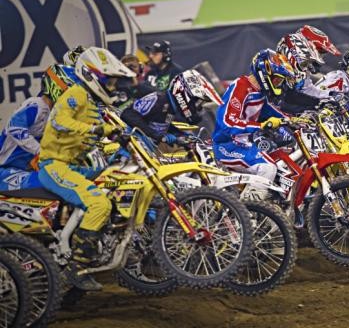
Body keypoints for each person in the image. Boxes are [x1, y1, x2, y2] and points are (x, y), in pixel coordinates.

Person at [37, 48, 135, 291]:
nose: (112, 86)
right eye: (108, 81)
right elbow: (59, 121)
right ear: (92, 75)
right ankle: (78, 266)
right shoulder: (76, 93)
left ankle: (102, 246)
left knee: (113, 185)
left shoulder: (91, 101)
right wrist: (93, 130)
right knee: (99, 204)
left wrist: (116, 134)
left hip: (74, 166)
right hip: (55, 165)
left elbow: (100, 128)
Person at [212, 50, 296, 182]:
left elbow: (270, 111)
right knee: (268, 168)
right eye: (277, 80)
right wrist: (261, 125)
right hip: (226, 145)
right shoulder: (240, 86)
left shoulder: (259, 92)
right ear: (265, 73)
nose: (278, 84)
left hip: (244, 144)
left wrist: (294, 120)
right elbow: (227, 122)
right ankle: (253, 197)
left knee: (281, 161)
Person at [0, 65, 78, 191]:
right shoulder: (38, 105)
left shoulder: (54, 114)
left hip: (22, 170)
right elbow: (14, 127)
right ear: (56, 87)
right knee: (51, 182)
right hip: (4, 169)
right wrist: (40, 151)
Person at [121, 69, 221, 143]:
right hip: (126, 145)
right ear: (186, 94)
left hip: (143, 150)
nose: (198, 108)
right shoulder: (158, 99)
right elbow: (128, 114)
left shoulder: (171, 108)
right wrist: (158, 136)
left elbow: (158, 124)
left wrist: (181, 136)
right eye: (198, 103)